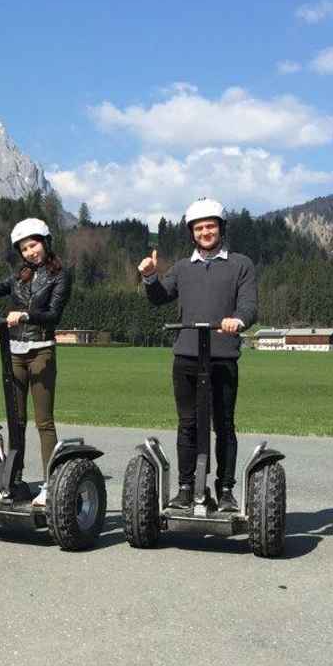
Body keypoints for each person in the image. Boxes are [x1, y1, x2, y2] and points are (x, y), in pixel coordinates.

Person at [139, 198, 257, 512]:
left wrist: (238, 320)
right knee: (188, 425)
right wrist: (150, 277)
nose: (205, 232)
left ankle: (227, 490)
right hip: (187, 356)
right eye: (199, 228)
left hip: (223, 356)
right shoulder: (182, 267)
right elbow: (159, 298)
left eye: (211, 226)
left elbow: (248, 306)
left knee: (225, 425)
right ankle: (186, 488)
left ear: (221, 228)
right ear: (192, 233)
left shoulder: (240, 264)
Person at [0, 218, 72, 505]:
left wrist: (25, 316)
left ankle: (49, 484)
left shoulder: (60, 275)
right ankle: (14, 481)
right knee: (16, 421)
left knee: (44, 422)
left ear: (45, 242)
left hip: (42, 350)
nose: (30, 252)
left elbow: (54, 315)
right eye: (23, 248)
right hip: (15, 353)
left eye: (33, 245)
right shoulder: (18, 277)